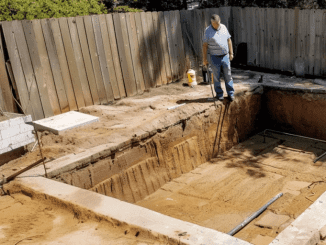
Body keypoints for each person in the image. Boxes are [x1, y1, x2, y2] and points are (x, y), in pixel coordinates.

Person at [202, 14, 235, 102]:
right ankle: (219, 95)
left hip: (225, 56)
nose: (217, 26)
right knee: (216, 77)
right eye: (215, 24)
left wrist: (231, 53)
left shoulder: (223, 27)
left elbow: (229, 40)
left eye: (218, 23)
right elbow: (205, 46)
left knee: (228, 76)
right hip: (214, 57)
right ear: (212, 23)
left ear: (220, 21)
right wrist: (204, 59)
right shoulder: (207, 31)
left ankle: (231, 94)